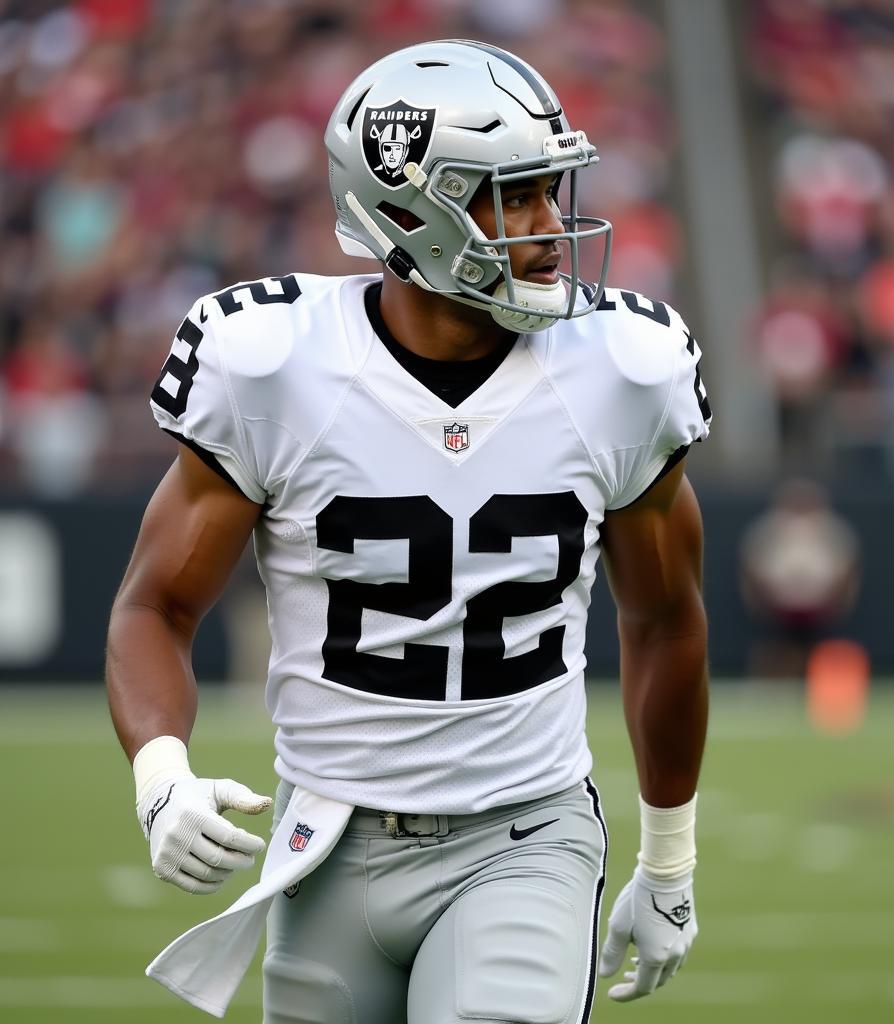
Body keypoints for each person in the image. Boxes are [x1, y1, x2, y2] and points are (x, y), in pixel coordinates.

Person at [106, 39, 712, 1024]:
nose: (550, 227)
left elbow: (667, 619)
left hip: (525, 838)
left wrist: (670, 856)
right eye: (510, 196)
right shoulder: (273, 366)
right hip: (325, 850)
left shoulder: (623, 371)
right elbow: (155, 604)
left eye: (551, 190)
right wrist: (161, 776)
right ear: (404, 211)